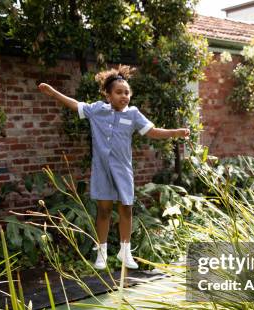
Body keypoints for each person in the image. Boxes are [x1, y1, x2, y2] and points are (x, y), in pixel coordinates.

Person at [38, 65, 189, 270]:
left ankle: (125, 252)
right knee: (103, 210)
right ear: (107, 95)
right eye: (119, 92)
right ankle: (101, 253)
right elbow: (75, 105)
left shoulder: (133, 114)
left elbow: (152, 132)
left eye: (127, 92)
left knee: (126, 209)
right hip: (102, 170)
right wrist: (52, 92)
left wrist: (175, 132)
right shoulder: (97, 110)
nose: (124, 96)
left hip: (123, 169)